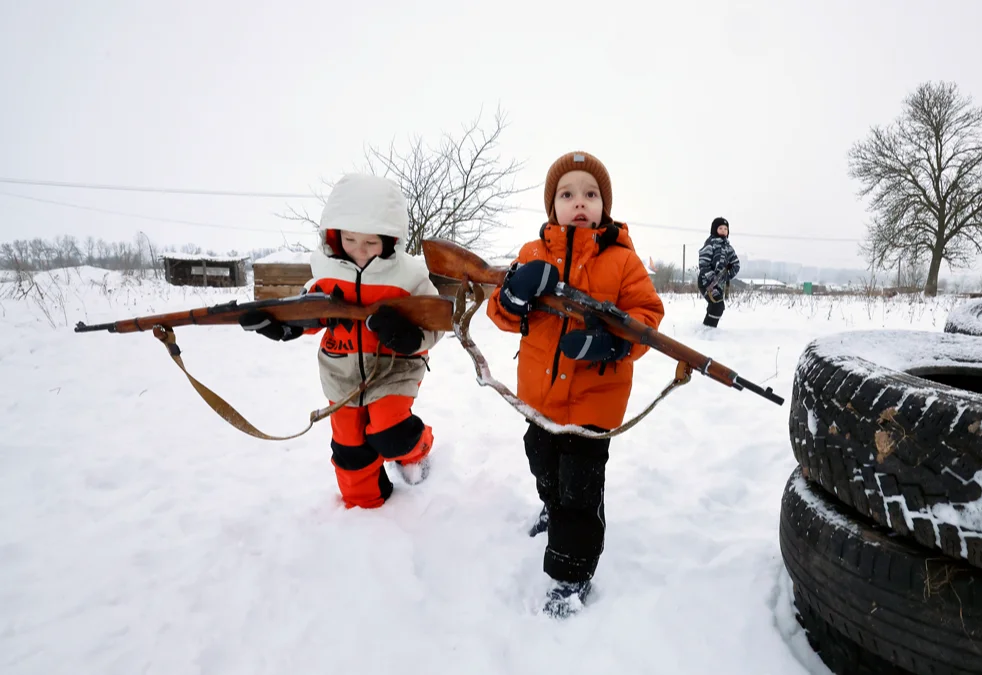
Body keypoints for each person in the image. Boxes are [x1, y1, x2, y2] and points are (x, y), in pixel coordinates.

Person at [486, 151, 665, 618]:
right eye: (567, 194)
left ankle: (570, 574)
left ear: (604, 205)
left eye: (591, 194)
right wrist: (514, 292)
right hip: (540, 398)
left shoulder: (623, 261)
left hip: (593, 402)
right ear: (553, 206)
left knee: (580, 491)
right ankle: (550, 505)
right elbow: (502, 316)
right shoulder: (531, 253)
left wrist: (613, 346)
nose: (579, 203)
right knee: (542, 460)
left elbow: (647, 315)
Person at [239, 173, 443, 509]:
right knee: (350, 453)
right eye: (350, 240)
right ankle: (369, 509)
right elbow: (309, 312)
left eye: (371, 243)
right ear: (335, 236)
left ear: (391, 239)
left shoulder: (409, 276)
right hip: (341, 376)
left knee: (391, 433)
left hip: (394, 369)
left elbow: (434, 320)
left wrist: (410, 338)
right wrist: (283, 327)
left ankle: (418, 447)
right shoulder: (327, 274)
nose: (359, 251)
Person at [697, 216, 740, 327]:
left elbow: (736, 264)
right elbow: (703, 264)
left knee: (716, 306)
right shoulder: (710, 244)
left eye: (725, 229)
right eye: (720, 228)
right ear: (714, 229)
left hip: (719, 284)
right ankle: (708, 330)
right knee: (717, 305)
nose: (723, 231)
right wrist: (712, 279)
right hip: (706, 282)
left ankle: (707, 330)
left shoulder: (728, 248)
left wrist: (726, 276)